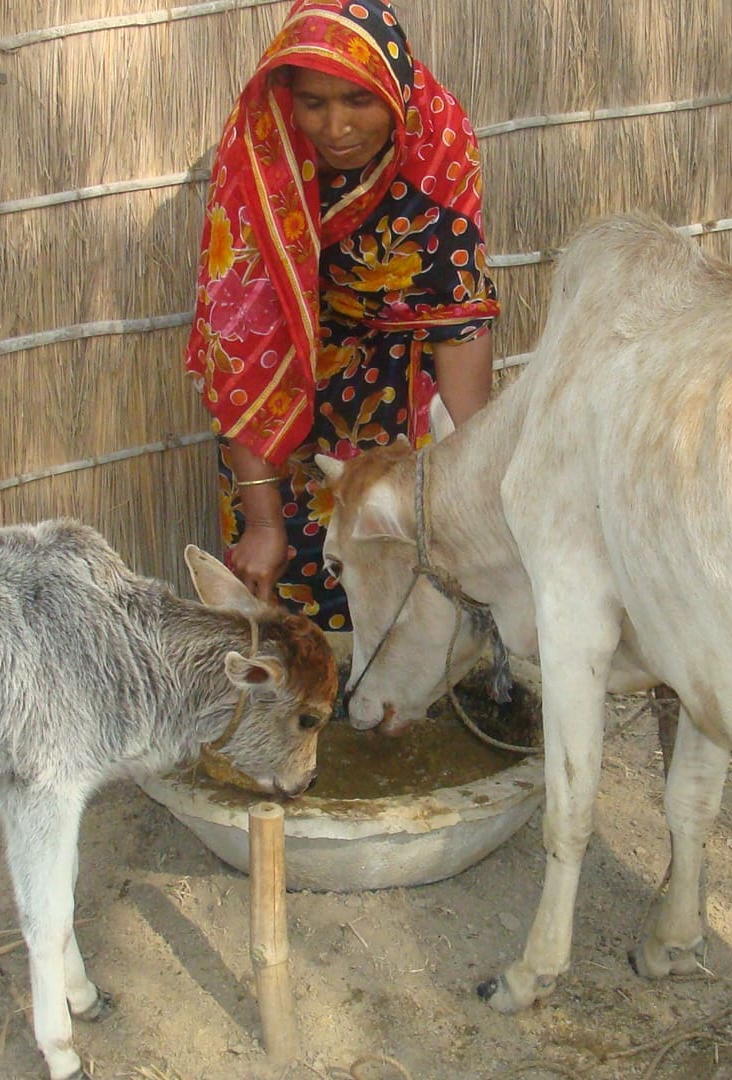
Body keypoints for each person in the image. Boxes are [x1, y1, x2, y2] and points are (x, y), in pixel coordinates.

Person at [184, 0, 499, 633]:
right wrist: (265, 521)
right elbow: (238, 343)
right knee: (285, 584)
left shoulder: (438, 145)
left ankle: (417, 692)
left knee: (415, 556)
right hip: (281, 385)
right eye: (314, 103)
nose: (335, 127)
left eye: (358, 101)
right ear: (287, 96)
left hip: (402, 382)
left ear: (394, 86)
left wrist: (474, 474)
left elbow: (457, 313)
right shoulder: (259, 157)